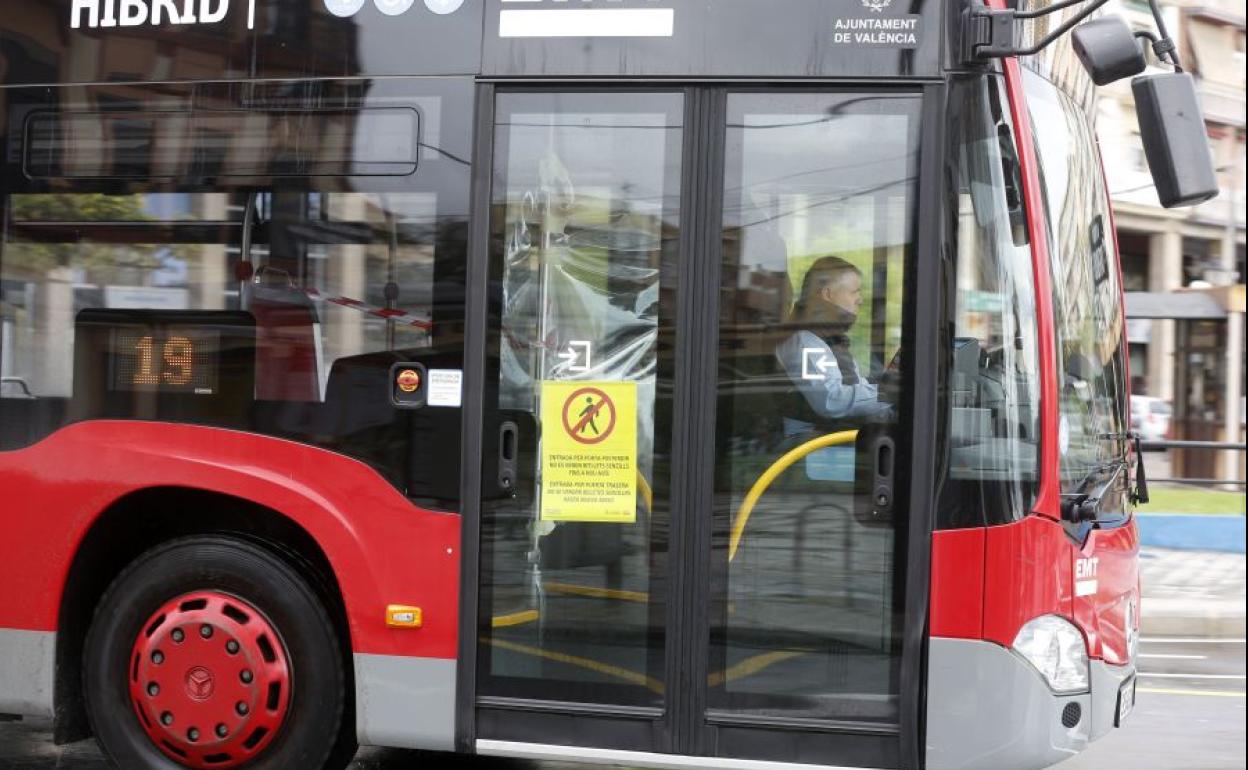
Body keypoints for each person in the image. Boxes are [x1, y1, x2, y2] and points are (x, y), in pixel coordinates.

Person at [775, 256, 890, 421]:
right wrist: (886, 392)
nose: (860, 299)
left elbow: (857, 390)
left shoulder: (833, 341)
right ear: (827, 294)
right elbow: (832, 401)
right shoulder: (805, 341)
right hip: (813, 440)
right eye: (854, 291)